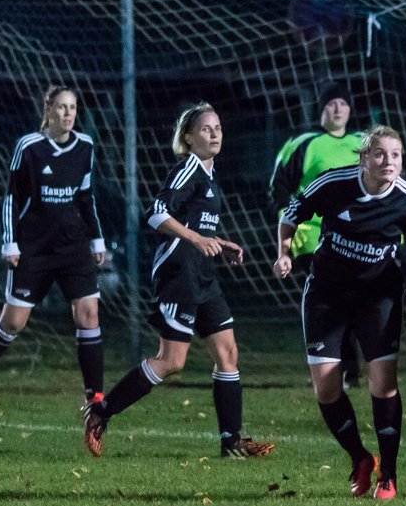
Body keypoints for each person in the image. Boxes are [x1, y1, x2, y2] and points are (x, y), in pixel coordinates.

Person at [82, 103, 274, 460]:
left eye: (218, 128)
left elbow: (198, 226)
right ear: (188, 138)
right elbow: (156, 214)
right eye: (205, 129)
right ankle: (101, 411)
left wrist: (219, 243)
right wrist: (198, 240)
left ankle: (230, 443)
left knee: (228, 353)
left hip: (202, 275)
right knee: (171, 361)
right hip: (178, 274)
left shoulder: (209, 175)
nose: (214, 134)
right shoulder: (188, 168)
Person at [273, 125, 406, 501]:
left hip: (379, 296)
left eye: (395, 155)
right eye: (380, 154)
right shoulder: (334, 184)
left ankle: (389, 476)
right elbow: (293, 211)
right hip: (328, 293)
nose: (388, 162)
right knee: (326, 387)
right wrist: (283, 251)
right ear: (363, 158)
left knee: (383, 384)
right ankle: (361, 458)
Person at [0, 85, 107, 412]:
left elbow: (86, 197)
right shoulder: (29, 147)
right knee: (13, 323)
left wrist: (96, 239)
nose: (68, 114)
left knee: (88, 314)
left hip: (72, 246)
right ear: (49, 111)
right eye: (62, 108)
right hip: (34, 248)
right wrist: (10, 242)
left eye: (73, 108)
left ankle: (95, 399)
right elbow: (13, 198)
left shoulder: (86, 146)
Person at [268, 85, 365, 278]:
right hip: (314, 235)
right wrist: (291, 224)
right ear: (322, 108)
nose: (338, 109)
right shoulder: (304, 143)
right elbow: (278, 188)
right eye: (331, 104)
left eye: (343, 103)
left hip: (359, 235)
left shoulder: (363, 142)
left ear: (349, 109)